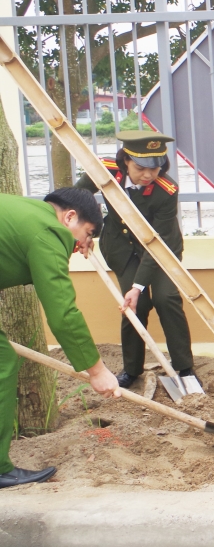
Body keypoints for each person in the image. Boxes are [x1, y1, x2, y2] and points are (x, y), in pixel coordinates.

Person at [0, 188, 121, 488]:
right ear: (69, 217)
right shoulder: (49, 232)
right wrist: (97, 371)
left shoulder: (25, 212)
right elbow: (63, 313)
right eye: (87, 233)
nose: (82, 245)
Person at [75, 131, 197, 389]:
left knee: (167, 299)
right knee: (135, 307)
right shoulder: (105, 171)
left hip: (160, 251)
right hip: (122, 249)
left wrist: (139, 285)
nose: (149, 175)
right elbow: (76, 199)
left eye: (156, 168)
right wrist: (83, 232)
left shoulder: (166, 190)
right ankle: (132, 370)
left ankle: (185, 369)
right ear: (126, 161)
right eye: (141, 168)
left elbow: (157, 243)